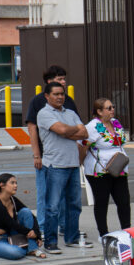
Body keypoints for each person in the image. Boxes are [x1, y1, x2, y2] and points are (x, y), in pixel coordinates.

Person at [26, 65, 77, 244]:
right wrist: (36, 154)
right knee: (46, 196)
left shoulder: (68, 101)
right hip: (48, 157)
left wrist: (68, 132)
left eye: (64, 79)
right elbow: (32, 127)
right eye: (60, 79)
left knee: (68, 198)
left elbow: (80, 129)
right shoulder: (38, 102)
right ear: (49, 82)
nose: (63, 82)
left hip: (68, 157)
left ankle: (66, 228)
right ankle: (42, 228)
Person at [37, 81, 90, 253]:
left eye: (62, 94)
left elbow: (85, 133)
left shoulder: (71, 112)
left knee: (74, 204)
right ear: (47, 96)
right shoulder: (44, 113)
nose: (60, 97)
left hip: (73, 164)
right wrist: (72, 131)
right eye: (56, 94)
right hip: (55, 166)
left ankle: (72, 238)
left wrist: (69, 131)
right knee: (52, 207)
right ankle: (51, 243)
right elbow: (61, 130)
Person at [82, 98, 132, 238]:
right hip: (100, 171)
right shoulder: (92, 126)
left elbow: (120, 141)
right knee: (102, 201)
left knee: (123, 201)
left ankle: (127, 231)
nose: (112, 110)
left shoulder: (115, 123)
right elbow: (83, 145)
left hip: (119, 168)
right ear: (99, 111)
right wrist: (82, 162)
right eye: (108, 108)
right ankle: (103, 233)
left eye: (113, 107)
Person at [0, 173, 43, 260]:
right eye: (12, 183)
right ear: (2, 185)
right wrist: (31, 234)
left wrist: (37, 234)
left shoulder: (12, 200)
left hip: (10, 235)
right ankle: (26, 246)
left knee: (25, 212)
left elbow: (31, 216)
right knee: (18, 252)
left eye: (16, 183)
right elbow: (11, 224)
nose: (15, 185)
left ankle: (32, 248)